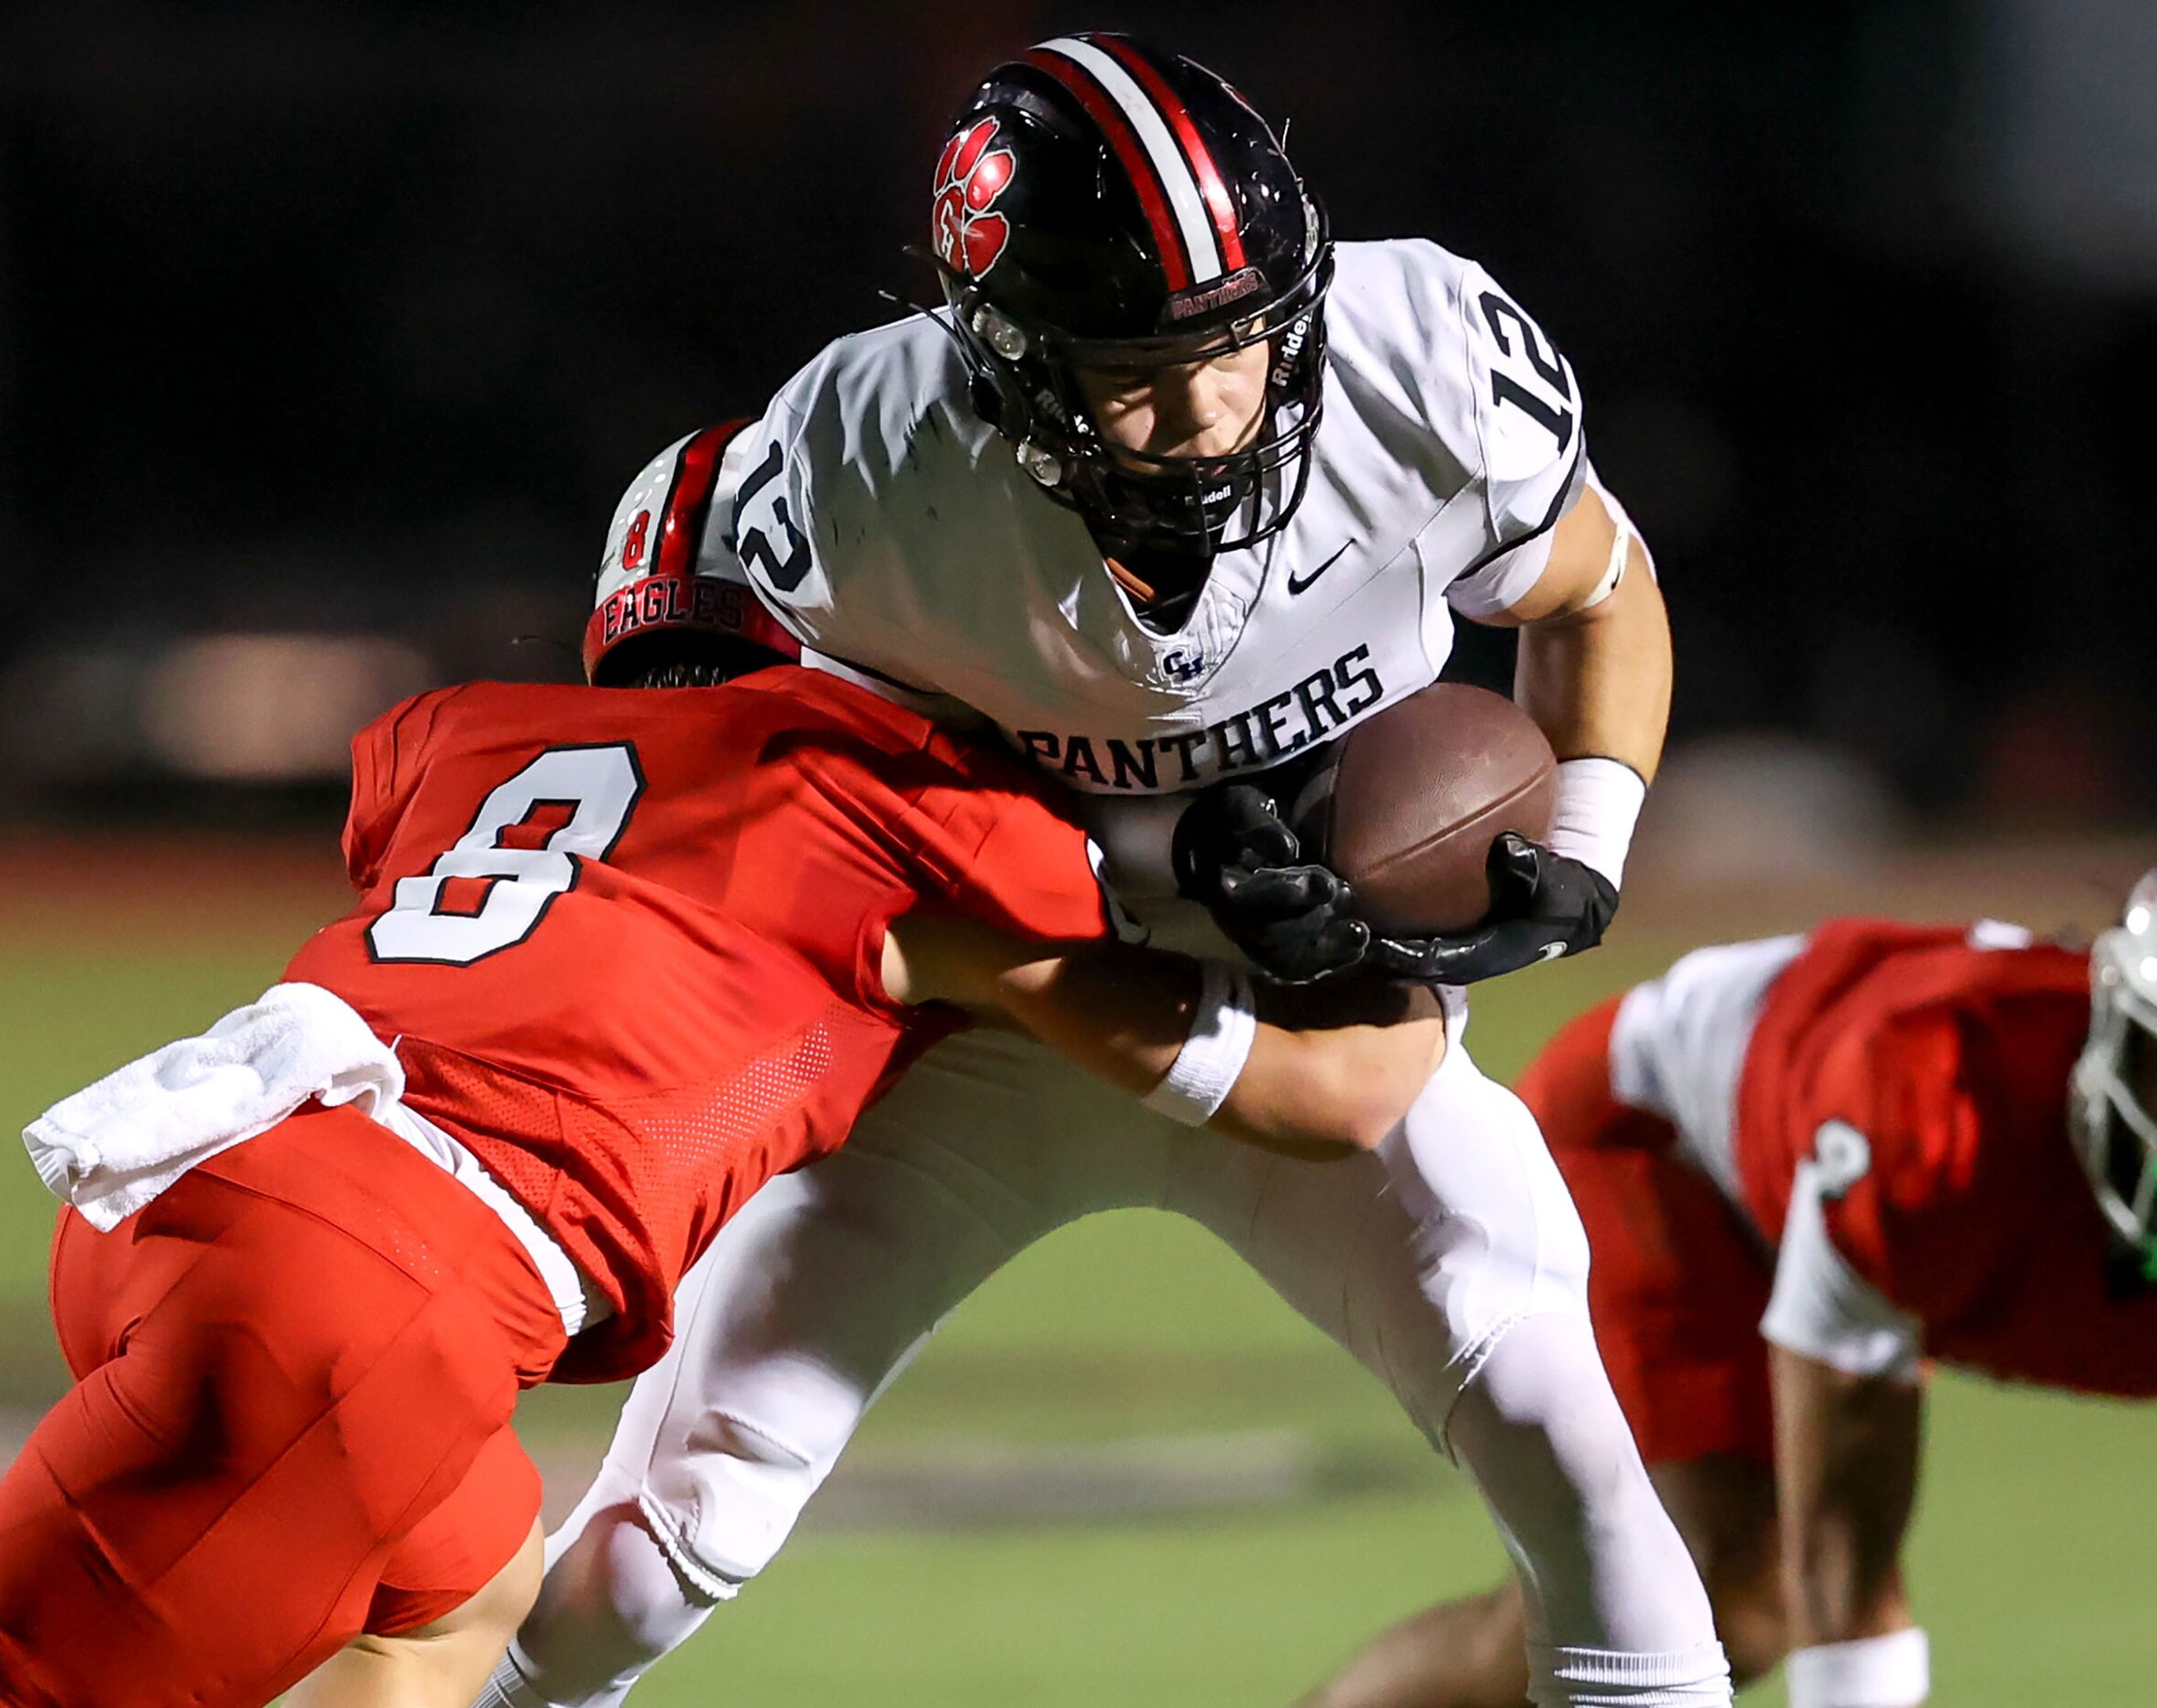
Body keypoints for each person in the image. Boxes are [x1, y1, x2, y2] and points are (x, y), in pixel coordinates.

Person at [496, 34, 1731, 1708]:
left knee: (1566, 1442)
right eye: (1138, 367)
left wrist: (1577, 848)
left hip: (1307, 1001)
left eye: (1239, 340)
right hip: (988, 1023)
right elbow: (716, 766)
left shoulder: (1416, 354)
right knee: (660, 1548)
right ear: (1000, 363)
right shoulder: (868, 466)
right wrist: (1120, 848)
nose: (1213, 404)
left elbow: (1596, 585)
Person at [0, 554, 1449, 1708]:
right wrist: (1430, 939)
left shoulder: (465, 732)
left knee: (454, 1601)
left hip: (188, 1183)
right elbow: (1318, 1099)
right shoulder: (914, 826)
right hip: (363, 1309)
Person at [1300, 888, 2157, 1708]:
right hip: (1664, 1137)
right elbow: (1842, 1583)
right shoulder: (1931, 1118)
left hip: (1852, 1182)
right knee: (1713, 1604)